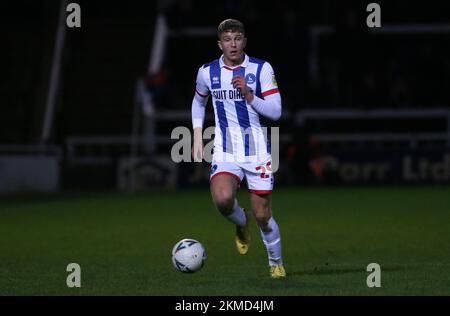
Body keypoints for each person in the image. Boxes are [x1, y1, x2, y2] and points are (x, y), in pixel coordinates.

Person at [191, 19, 285, 278]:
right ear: (219, 44)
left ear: (244, 41)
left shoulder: (261, 68)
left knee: (263, 215)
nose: (233, 44)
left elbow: (276, 112)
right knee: (222, 199)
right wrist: (197, 135)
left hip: (257, 150)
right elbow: (198, 103)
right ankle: (241, 221)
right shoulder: (207, 72)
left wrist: (250, 96)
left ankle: (275, 262)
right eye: (227, 40)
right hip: (225, 148)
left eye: (238, 38)